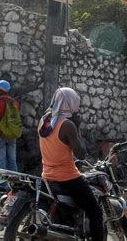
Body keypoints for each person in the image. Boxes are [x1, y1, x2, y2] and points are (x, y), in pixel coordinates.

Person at [38, 88, 104, 241]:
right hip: (68, 178)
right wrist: (77, 128)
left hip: (47, 176)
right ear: (71, 103)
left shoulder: (44, 121)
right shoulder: (67, 125)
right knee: (95, 212)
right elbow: (81, 154)